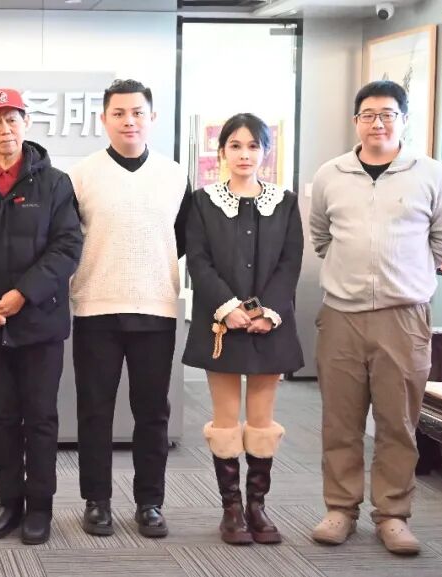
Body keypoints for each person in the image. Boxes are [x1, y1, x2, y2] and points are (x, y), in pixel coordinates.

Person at [309, 80, 442, 555]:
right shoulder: (331, 175)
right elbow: (321, 236)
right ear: (356, 121)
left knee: (397, 423)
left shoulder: (432, 175)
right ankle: (340, 508)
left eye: (387, 114)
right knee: (340, 421)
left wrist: (404, 274)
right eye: (368, 115)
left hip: (403, 317)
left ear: (403, 120)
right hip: (341, 315)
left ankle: (393, 515)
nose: (377, 123)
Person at [0, 88, 83, 545]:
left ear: (26, 123)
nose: (5, 130)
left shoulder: (56, 183)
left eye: (12, 120)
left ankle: (40, 508)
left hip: (40, 322)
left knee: (41, 418)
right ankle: (9, 503)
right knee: (2, 417)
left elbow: (67, 246)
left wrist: (23, 294)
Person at [67, 79, 192, 538]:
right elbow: (68, 239)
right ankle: (96, 501)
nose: (129, 121)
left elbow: (183, 238)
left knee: (152, 414)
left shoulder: (174, 176)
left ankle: (150, 502)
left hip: (155, 307)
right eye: (118, 113)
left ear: (152, 118)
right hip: (95, 307)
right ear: (104, 119)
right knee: (94, 411)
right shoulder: (81, 175)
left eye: (138, 112)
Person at [181, 113, 304, 545]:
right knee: (225, 420)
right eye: (235, 145)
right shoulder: (203, 201)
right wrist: (229, 307)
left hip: (271, 324)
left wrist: (268, 311)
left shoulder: (285, 202)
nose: (244, 154)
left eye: (253, 146)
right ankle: (231, 510)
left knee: (262, 421)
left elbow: (290, 262)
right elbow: (198, 260)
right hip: (221, 324)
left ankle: (258, 507)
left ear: (265, 152)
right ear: (222, 152)